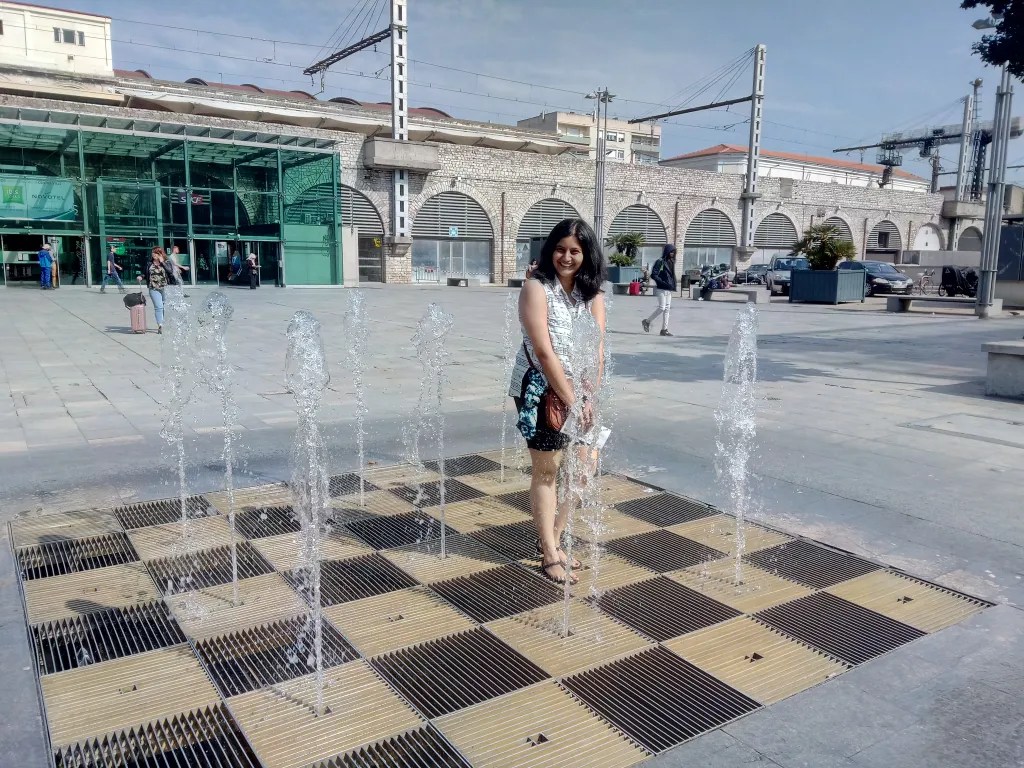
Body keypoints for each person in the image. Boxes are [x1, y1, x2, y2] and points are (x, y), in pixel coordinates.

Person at [509, 218, 606, 585]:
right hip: (540, 390)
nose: (567, 257)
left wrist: (589, 396)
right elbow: (544, 352)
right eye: (560, 249)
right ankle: (550, 551)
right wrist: (572, 399)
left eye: (575, 251)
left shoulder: (592, 294)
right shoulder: (537, 288)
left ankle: (552, 533)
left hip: (580, 392)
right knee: (547, 470)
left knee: (585, 464)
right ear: (550, 251)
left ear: (586, 255)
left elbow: (597, 349)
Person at [642, 244, 677, 337]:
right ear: (667, 251)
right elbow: (654, 275)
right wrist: (662, 282)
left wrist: (673, 285)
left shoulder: (671, 262)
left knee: (667, 309)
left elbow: (672, 276)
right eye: (671, 251)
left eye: (674, 252)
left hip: (669, 289)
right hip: (661, 288)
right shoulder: (660, 261)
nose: (672, 253)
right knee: (662, 307)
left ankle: (664, 330)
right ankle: (647, 321)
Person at [138, 247, 169, 334]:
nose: (153, 255)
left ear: (160, 254)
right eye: (153, 253)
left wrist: (162, 262)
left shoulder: (166, 262)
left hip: (165, 288)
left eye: (155, 253)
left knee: (165, 306)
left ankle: (165, 322)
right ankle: (160, 325)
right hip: (153, 288)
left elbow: (170, 271)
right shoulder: (149, 263)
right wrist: (141, 276)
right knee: (158, 307)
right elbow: (144, 273)